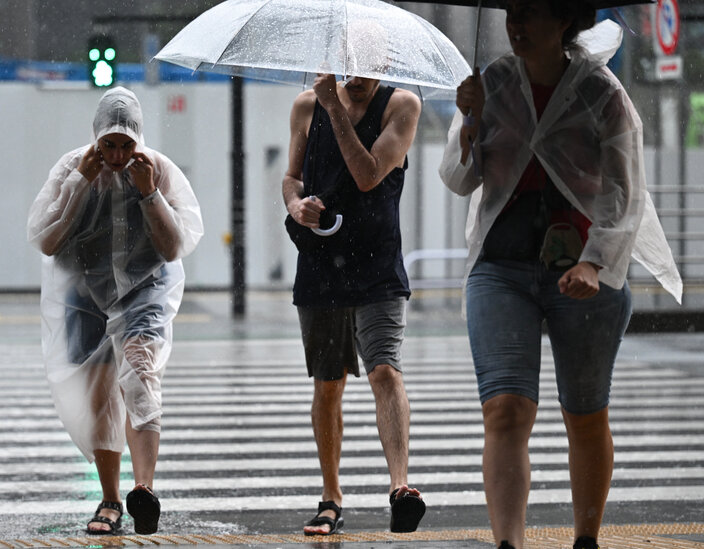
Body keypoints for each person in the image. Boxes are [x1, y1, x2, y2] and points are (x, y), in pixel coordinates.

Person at [438, 2, 683, 549]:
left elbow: (625, 192)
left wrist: (594, 262)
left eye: (532, 13)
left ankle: (587, 538)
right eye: (513, 14)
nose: (517, 25)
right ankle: (508, 542)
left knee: (585, 411)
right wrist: (469, 122)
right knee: (505, 407)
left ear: (564, 21)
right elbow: (459, 179)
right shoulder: (492, 83)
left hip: (583, 271)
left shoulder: (601, 94)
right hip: (500, 267)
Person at [27, 86, 203, 536]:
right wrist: (79, 183)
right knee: (99, 396)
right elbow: (46, 238)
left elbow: (174, 246)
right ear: (95, 139)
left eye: (127, 144)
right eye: (110, 144)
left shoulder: (157, 170)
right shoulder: (73, 167)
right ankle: (109, 500)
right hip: (84, 296)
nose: (119, 155)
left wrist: (149, 195)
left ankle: (143, 490)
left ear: (139, 140)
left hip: (144, 293)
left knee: (141, 376)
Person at [281, 67, 425, 536]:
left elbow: (367, 175)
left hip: (378, 265)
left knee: (384, 368)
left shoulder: (402, 106)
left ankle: (400, 486)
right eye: (349, 69)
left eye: (368, 70)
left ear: (383, 67)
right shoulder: (306, 105)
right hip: (322, 264)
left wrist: (336, 111)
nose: (357, 79)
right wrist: (294, 205)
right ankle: (330, 496)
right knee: (328, 383)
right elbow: (291, 177)